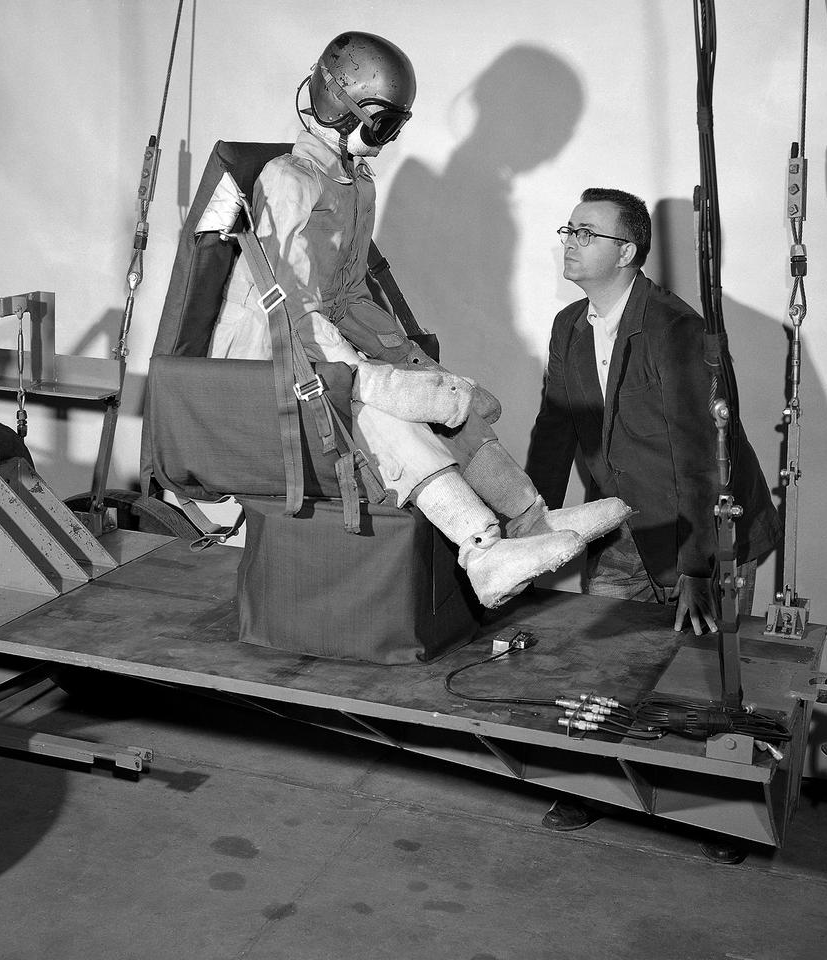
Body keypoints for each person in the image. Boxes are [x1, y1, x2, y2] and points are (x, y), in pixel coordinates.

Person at [208, 31, 629, 609]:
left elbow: (348, 293)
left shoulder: (353, 184)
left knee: (440, 398)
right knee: (387, 411)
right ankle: (482, 550)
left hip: (317, 351)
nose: (384, 142)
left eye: (394, 127)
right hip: (269, 365)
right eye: (379, 125)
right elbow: (285, 307)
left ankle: (529, 519)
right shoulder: (288, 181)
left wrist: (411, 362)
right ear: (338, 102)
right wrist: (371, 378)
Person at [524, 188, 780, 842]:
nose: (570, 242)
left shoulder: (675, 330)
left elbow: (703, 460)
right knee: (606, 667)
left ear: (628, 250)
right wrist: (527, 527)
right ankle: (592, 786)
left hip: (704, 528)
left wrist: (699, 566)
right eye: (568, 228)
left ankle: (722, 817)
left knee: (705, 681)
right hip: (623, 529)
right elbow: (556, 430)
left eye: (587, 232)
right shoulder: (570, 327)